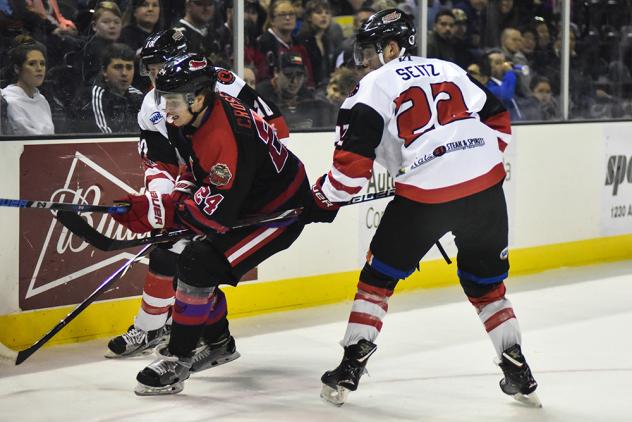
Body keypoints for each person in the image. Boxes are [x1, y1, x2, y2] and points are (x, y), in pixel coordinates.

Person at [302, 8, 540, 408]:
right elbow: (498, 118)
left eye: (369, 51)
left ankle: (349, 366)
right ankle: (517, 367)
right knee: (487, 287)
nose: (362, 62)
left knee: (377, 281)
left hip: (425, 196)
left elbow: (350, 172)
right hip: (485, 186)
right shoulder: (450, 69)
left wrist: (320, 199)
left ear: (392, 47)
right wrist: (475, 162)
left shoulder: (372, 87)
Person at [111, 53, 310, 395]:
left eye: (172, 100)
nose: (166, 108)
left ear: (198, 98)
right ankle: (219, 346)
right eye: (164, 98)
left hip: (277, 214)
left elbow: (214, 214)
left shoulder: (226, 133)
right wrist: (165, 202)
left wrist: (158, 211)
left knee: (197, 261)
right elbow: (196, 170)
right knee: (195, 261)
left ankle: (178, 358)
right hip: (248, 203)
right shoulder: (193, 118)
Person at [74, 42, 144, 133]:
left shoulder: (137, 95)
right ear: (104, 71)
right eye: (118, 67)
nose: (124, 73)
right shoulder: (92, 97)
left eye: (129, 67)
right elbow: (105, 139)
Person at [2, 38, 54, 135]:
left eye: (42, 64)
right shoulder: (8, 102)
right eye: (32, 64)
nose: (39, 69)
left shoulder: (42, 100)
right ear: (17, 69)